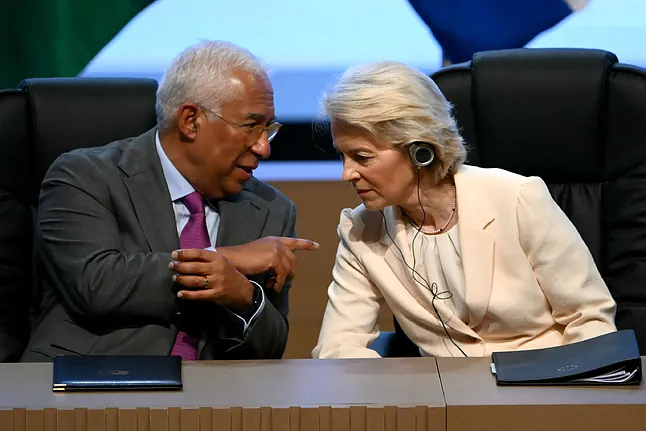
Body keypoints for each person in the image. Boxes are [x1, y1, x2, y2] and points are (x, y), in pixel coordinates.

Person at [21, 40, 318, 362]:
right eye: (251, 127)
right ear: (191, 121)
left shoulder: (271, 209)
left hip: (214, 390)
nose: (264, 148)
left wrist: (246, 298)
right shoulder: (85, 175)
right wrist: (224, 259)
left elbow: (270, 348)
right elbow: (96, 284)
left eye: (268, 129)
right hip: (88, 378)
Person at [312, 61, 616, 358]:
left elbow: (589, 316)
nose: (347, 174)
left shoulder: (518, 198)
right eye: (343, 156)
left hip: (541, 380)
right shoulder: (361, 231)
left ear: (420, 149)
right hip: (442, 388)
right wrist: (392, 385)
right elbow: (337, 347)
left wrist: (572, 382)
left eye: (362, 157)